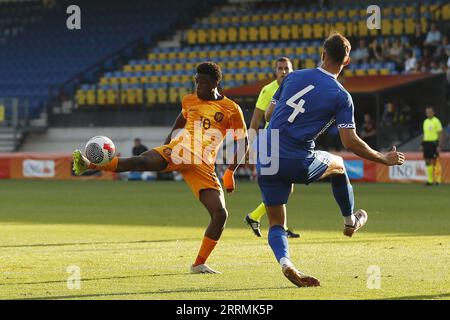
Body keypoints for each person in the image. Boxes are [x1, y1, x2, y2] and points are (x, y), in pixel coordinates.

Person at [258, 32, 405, 287]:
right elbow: (350, 141)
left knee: (276, 222)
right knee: (338, 164)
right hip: (296, 156)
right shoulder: (341, 96)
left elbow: (269, 113)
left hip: (267, 153)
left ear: (323, 54)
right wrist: (383, 158)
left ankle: (286, 262)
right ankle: (350, 222)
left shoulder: (293, 76)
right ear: (346, 62)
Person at [73, 62, 248, 274]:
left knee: (220, 214)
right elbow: (181, 118)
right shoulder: (189, 100)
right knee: (140, 161)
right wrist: (168, 142)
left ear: (215, 83)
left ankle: (199, 264)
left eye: (202, 82)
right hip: (179, 151)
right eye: (196, 81)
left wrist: (230, 171)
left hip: (202, 165)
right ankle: (89, 163)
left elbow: (243, 142)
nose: (197, 86)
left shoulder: (231, 109)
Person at [244, 57, 299, 238]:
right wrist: (249, 147)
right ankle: (277, 226)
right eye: (280, 68)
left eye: (287, 68)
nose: (284, 71)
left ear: (292, 70)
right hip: (271, 143)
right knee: (279, 187)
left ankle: (255, 217)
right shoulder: (267, 90)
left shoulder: (297, 89)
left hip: (288, 142)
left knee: (287, 188)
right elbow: (255, 121)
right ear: (275, 71)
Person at [421, 107, 444, 186]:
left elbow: (440, 133)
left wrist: (439, 145)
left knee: (434, 161)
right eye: (427, 112)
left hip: (434, 143)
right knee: (427, 161)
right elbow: (425, 134)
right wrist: (422, 144)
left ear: (433, 112)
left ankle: (438, 180)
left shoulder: (436, 121)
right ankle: (430, 181)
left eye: (430, 112)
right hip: (426, 143)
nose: (428, 114)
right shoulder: (425, 121)